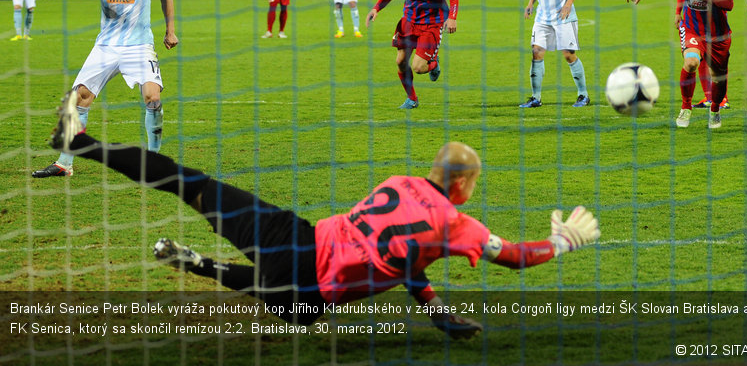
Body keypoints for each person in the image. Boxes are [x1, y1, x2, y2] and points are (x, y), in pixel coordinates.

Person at [47, 90, 600, 337]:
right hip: (312, 294)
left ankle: (81, 141)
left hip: (289, 236)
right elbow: (518, 258)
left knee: (186, 181)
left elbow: (410, 259)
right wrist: (565, 240)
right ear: (465, 183)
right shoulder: (461, 225)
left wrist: (435, 310)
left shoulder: (399, 180)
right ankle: (197, 264)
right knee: (286, 305)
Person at [32, 0, 177, 178]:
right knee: (80, 98)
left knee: (153, 98)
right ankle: (64, 164)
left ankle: (155, 162)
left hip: (139, 45)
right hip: (106, 46)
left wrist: (170, 31)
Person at [627, 0, 733, 129]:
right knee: (691, 62)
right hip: (692, 28)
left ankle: (715, 109)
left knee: (719, 77)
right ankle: (685, 107)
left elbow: (729, 3)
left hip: (718, 36)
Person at [366, 0, 459, 109]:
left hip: (431, 22)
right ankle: (412, 99)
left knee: (419, 67)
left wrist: (452, 17)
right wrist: (376, 8)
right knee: (400, 61)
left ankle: (433, 62)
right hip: (409, 20)